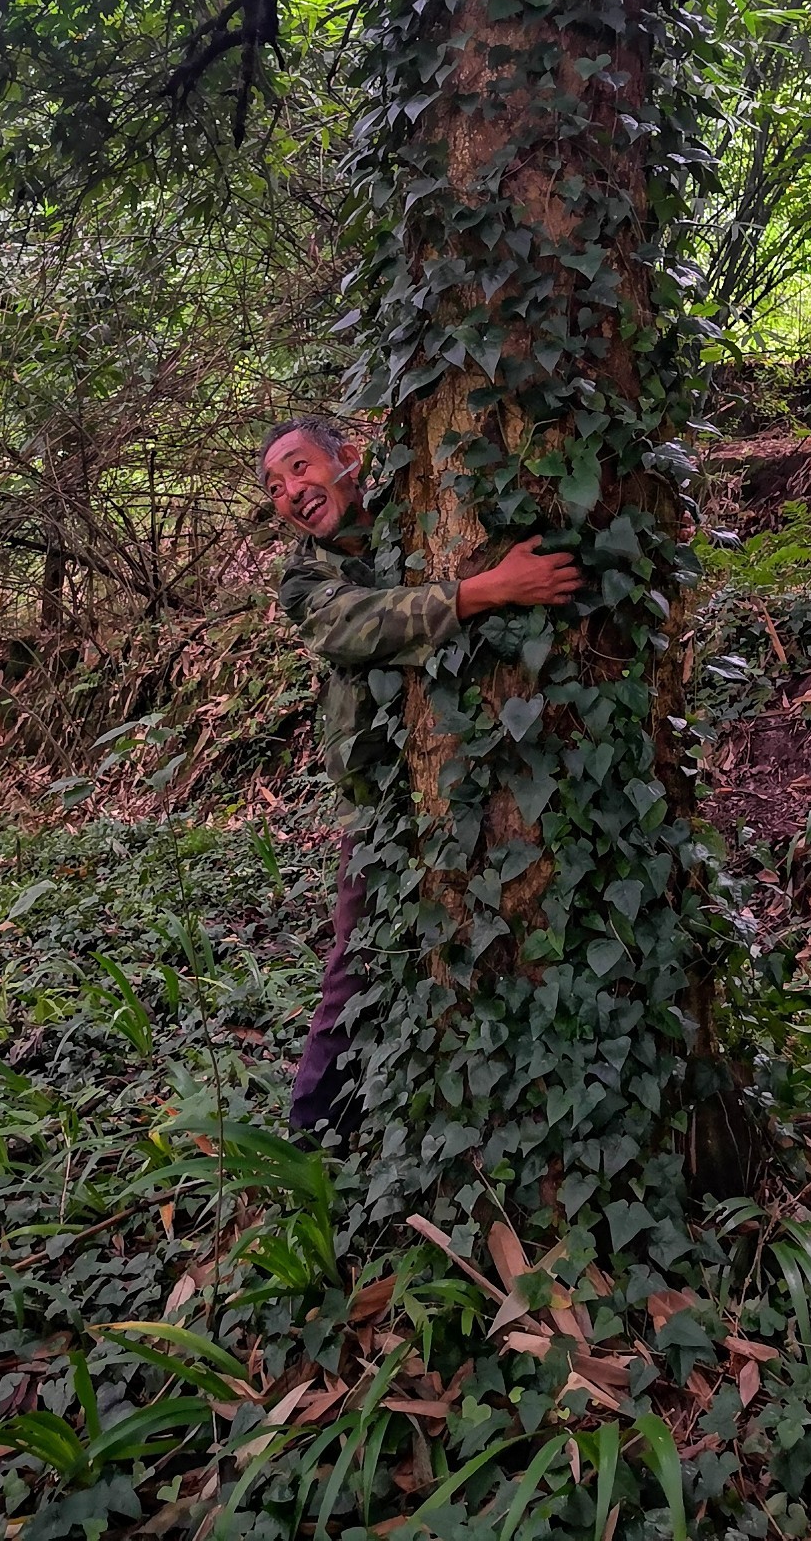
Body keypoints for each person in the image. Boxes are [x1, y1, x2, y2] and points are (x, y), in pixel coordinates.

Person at [260, 414, 581, 1137]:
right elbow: (359, 624)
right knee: (357, 959)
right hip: (379, 801)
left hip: (475, 776)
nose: (291, 493)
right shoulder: (305, 578)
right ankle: (315, 1134)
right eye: (276, 487)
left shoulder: (419, 507)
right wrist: (489, 591)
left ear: (348, 456)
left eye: (300, 468)